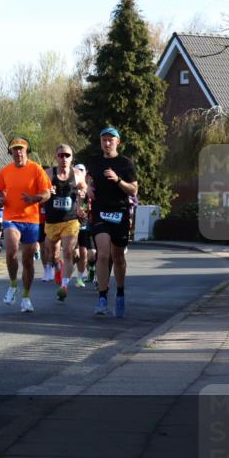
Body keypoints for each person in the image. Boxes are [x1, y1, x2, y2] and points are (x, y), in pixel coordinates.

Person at [85, 127, 138, 317]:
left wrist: (117, 180)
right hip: (100, 212)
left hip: (120, 213)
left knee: (118, 257)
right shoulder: (95, 161)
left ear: (117, 142)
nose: (107, 143)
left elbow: (133, 190)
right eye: (104, 140)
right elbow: (88, 177)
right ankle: (102, 297)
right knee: (103, 254)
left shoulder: (125, 163)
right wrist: (88, 187)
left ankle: (120, 293)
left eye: (110, 140)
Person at [0, 137, 52, 313]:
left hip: (31, 221)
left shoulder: (36, 169)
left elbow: (47, 193)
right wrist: (0, 200)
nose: (18, 152)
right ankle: (13, 285)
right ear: (10, 152)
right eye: (15, 149)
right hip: (11, 218)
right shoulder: (5, 171)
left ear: (27, 151)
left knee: (27, 261)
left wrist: (34, 198)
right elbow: (0, 193)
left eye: (21, 149)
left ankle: (26, 297)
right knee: (11, 249)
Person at [44, 144, 87, 301]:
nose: (64, 158)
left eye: (67, 155)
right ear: (56, 157)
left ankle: (64, 286)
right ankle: (58, 266)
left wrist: (83, 194)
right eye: (61, 155)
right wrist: (47, 192)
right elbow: (39, 191)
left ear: (71, 158)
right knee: (52, 254)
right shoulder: (48, 174)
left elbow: (84, 188)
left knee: (68, 251)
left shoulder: (77, 174)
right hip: (52, 221)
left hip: (71, 219)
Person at [73, 163, 95, 288]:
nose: (79, 173)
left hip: (87, 225)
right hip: (72, 225)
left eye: (82, 170)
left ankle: (87, 272)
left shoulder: (90, 189)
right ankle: (76, 276)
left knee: (90, 254)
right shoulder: (70, 187)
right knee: (76, 254)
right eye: (77, 171)